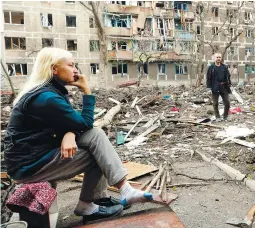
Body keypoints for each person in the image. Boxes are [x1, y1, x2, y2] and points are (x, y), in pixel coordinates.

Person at [3, 48, 153, 222]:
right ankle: (90, 205)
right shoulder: (47, 98)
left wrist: (70, 133)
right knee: (96, 152)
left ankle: (104, 197)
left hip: (36, 155)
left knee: (95, 136)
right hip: (28, 166)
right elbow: (84, 123)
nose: (76, 70)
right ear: (54, 69)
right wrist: (87, 91)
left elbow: (71, 123)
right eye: (71, 65)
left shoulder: (47, 91)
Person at [206, 53, 232, 121]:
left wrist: (229, 84)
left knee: (227, 102)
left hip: (224, 87)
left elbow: (228, 76)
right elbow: (208, 78)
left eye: (219, 57)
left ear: (221, 58)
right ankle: (217, 117)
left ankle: (225, 116)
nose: (218, 58)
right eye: (217, 57)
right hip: (215, 87)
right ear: (214, 58)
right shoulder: (211, 67)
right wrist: (209, 88)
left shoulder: (224, 67)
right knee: (215, 103)